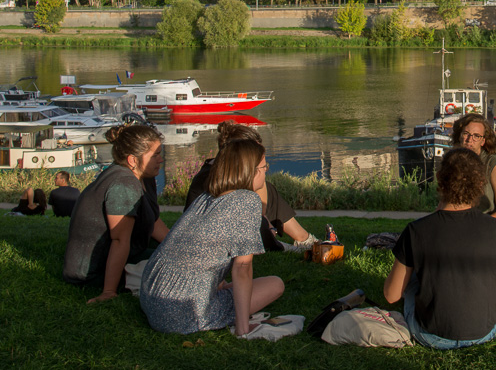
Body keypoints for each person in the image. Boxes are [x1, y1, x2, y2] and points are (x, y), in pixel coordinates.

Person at [383, 147, 496, 349]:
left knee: (414, 280)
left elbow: (391, 295)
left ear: (440, 180)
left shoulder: (417, 230)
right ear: (480, 185)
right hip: (487, 331)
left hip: (431, 334)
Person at [140, 138, 285, 335]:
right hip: (180, 312)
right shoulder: (247, 200)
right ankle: (234, 321)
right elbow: (242, 267)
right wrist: (243, 328)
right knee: (275, 284)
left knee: (225, 284)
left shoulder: (206, 197)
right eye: (264, 166)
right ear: (251, 171)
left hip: (152, 297)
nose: (266, 170)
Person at [62, 124, 170, 303]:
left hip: (127, 255)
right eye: (155, 155)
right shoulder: (124, 184)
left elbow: (153, 222)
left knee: (180, 258)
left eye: (160, 153)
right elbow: (119, 239)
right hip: (93, 273)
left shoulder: (145, 178)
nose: (160, 160)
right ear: (132, 160)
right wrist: (109, 291)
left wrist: (178, 245)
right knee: (178, 268)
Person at [184, 120, 319, 252]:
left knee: (267, 189)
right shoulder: (213, 179)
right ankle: (283, 245)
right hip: (209, 237)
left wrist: (264, 217)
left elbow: (260, 187)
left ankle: (304, 239)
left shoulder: (231, 171)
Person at [449, 113, 496, 224]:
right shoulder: (454, 162)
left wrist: (476, 227)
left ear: (483, 141)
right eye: (466, 133)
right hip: (460, 222)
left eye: (476, 136)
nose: (469, 139)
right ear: (459, 136)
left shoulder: (494, 164)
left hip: (491, 224)